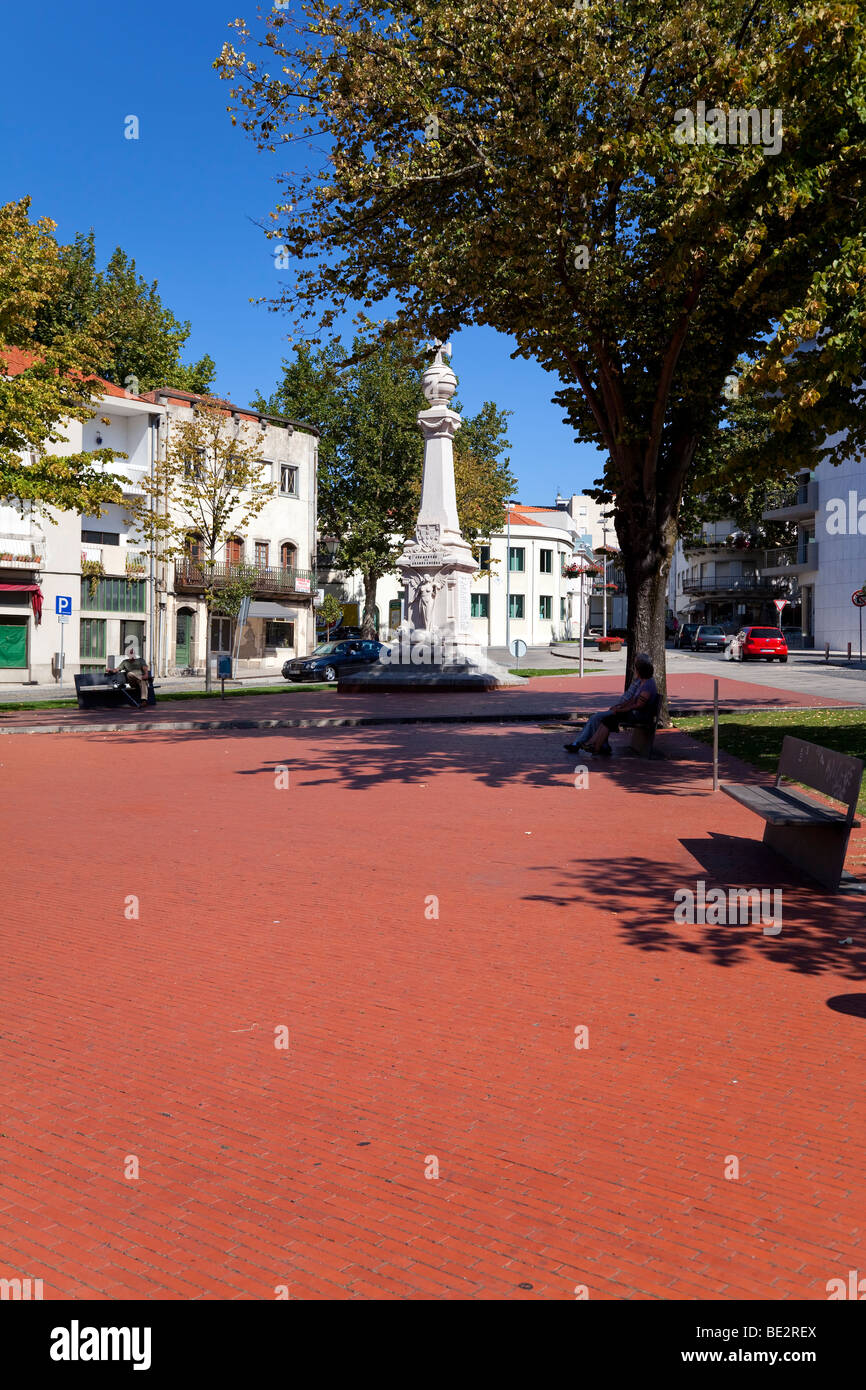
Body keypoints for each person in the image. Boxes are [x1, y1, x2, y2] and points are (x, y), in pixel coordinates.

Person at [564, 654, 659, 756]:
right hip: (629, 711)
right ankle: (597, 745)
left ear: (641, 670)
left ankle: (590, 744)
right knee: (605, 719)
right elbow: (632, 700)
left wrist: (621, 709)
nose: (634, 669)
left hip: (638, 715)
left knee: (598, 718)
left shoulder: (647, 684)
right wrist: (619, 707)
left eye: (635, 666)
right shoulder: (641, 682)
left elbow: (638, 705)